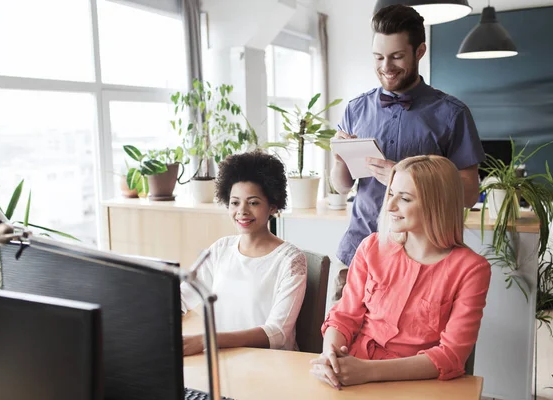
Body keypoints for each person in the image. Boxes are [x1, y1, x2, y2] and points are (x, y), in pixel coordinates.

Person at [330, 4, 485, 302]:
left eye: (397, 56)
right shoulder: (355, 109)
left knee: (406, 349)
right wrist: (338, 158)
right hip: (357, 254)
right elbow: (342, 185)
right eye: (378, 57)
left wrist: (405, 178)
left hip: (424, 263)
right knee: (341, 345)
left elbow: (467, 194)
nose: (385, 66)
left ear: (420, 51)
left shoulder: (452, 115)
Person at [310, 155, 491, 388]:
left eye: (404, 198)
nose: (390, 205)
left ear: (437, 203)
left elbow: (452, 355)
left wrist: (367, 371)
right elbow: (343, 317)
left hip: (417, 384)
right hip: (351, 376)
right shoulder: (371, 247)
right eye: (391, 194)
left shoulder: (471, 270)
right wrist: (331, 358)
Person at [181, 151, 307, 355]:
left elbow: (277, 333)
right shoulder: (221, 249)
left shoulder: (290, 260)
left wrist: (207, 340)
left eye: (253, 202)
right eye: (235, 202)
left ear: (273, 206)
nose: (242, 211)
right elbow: (183, 295)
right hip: (223, 360)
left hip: (272, 366)